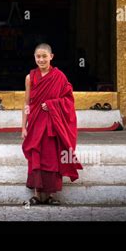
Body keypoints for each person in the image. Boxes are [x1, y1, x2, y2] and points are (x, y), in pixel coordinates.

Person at [21, 43, 83, 205]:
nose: (41, 59)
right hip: (35, 123)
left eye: (44, 56)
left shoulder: (59, 77)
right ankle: (36, 194)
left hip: (51, 126)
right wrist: (23, 126)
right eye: (38, 57)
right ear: (34, 58)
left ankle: (49, 195)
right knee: (36, 156)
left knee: (51, 158)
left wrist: (52, 104)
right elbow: (27, 103)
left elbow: (69, 100)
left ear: (51, 57)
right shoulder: (30, 77)